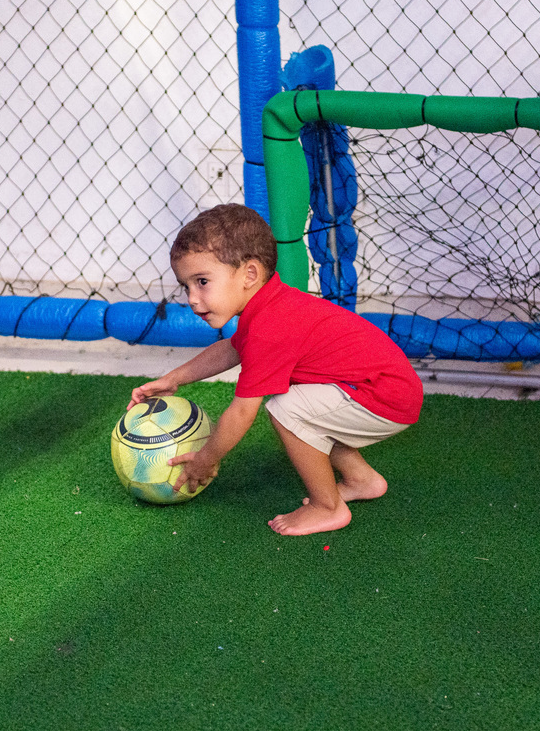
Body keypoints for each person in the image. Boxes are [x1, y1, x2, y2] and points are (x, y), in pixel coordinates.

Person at [127, 204, 423, 536]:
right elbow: (232, 349)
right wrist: (173, 379)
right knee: (307, 408)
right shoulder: (270, 305)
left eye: (202, 282)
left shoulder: (269, 327)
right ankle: (361, 480)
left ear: (249, 275)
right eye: (186, 286)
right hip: (383, 388)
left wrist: (205, 459)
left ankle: (328, 508)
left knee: (287, 409)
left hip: (383, 395)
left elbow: (242, 412)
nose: (192, 299)